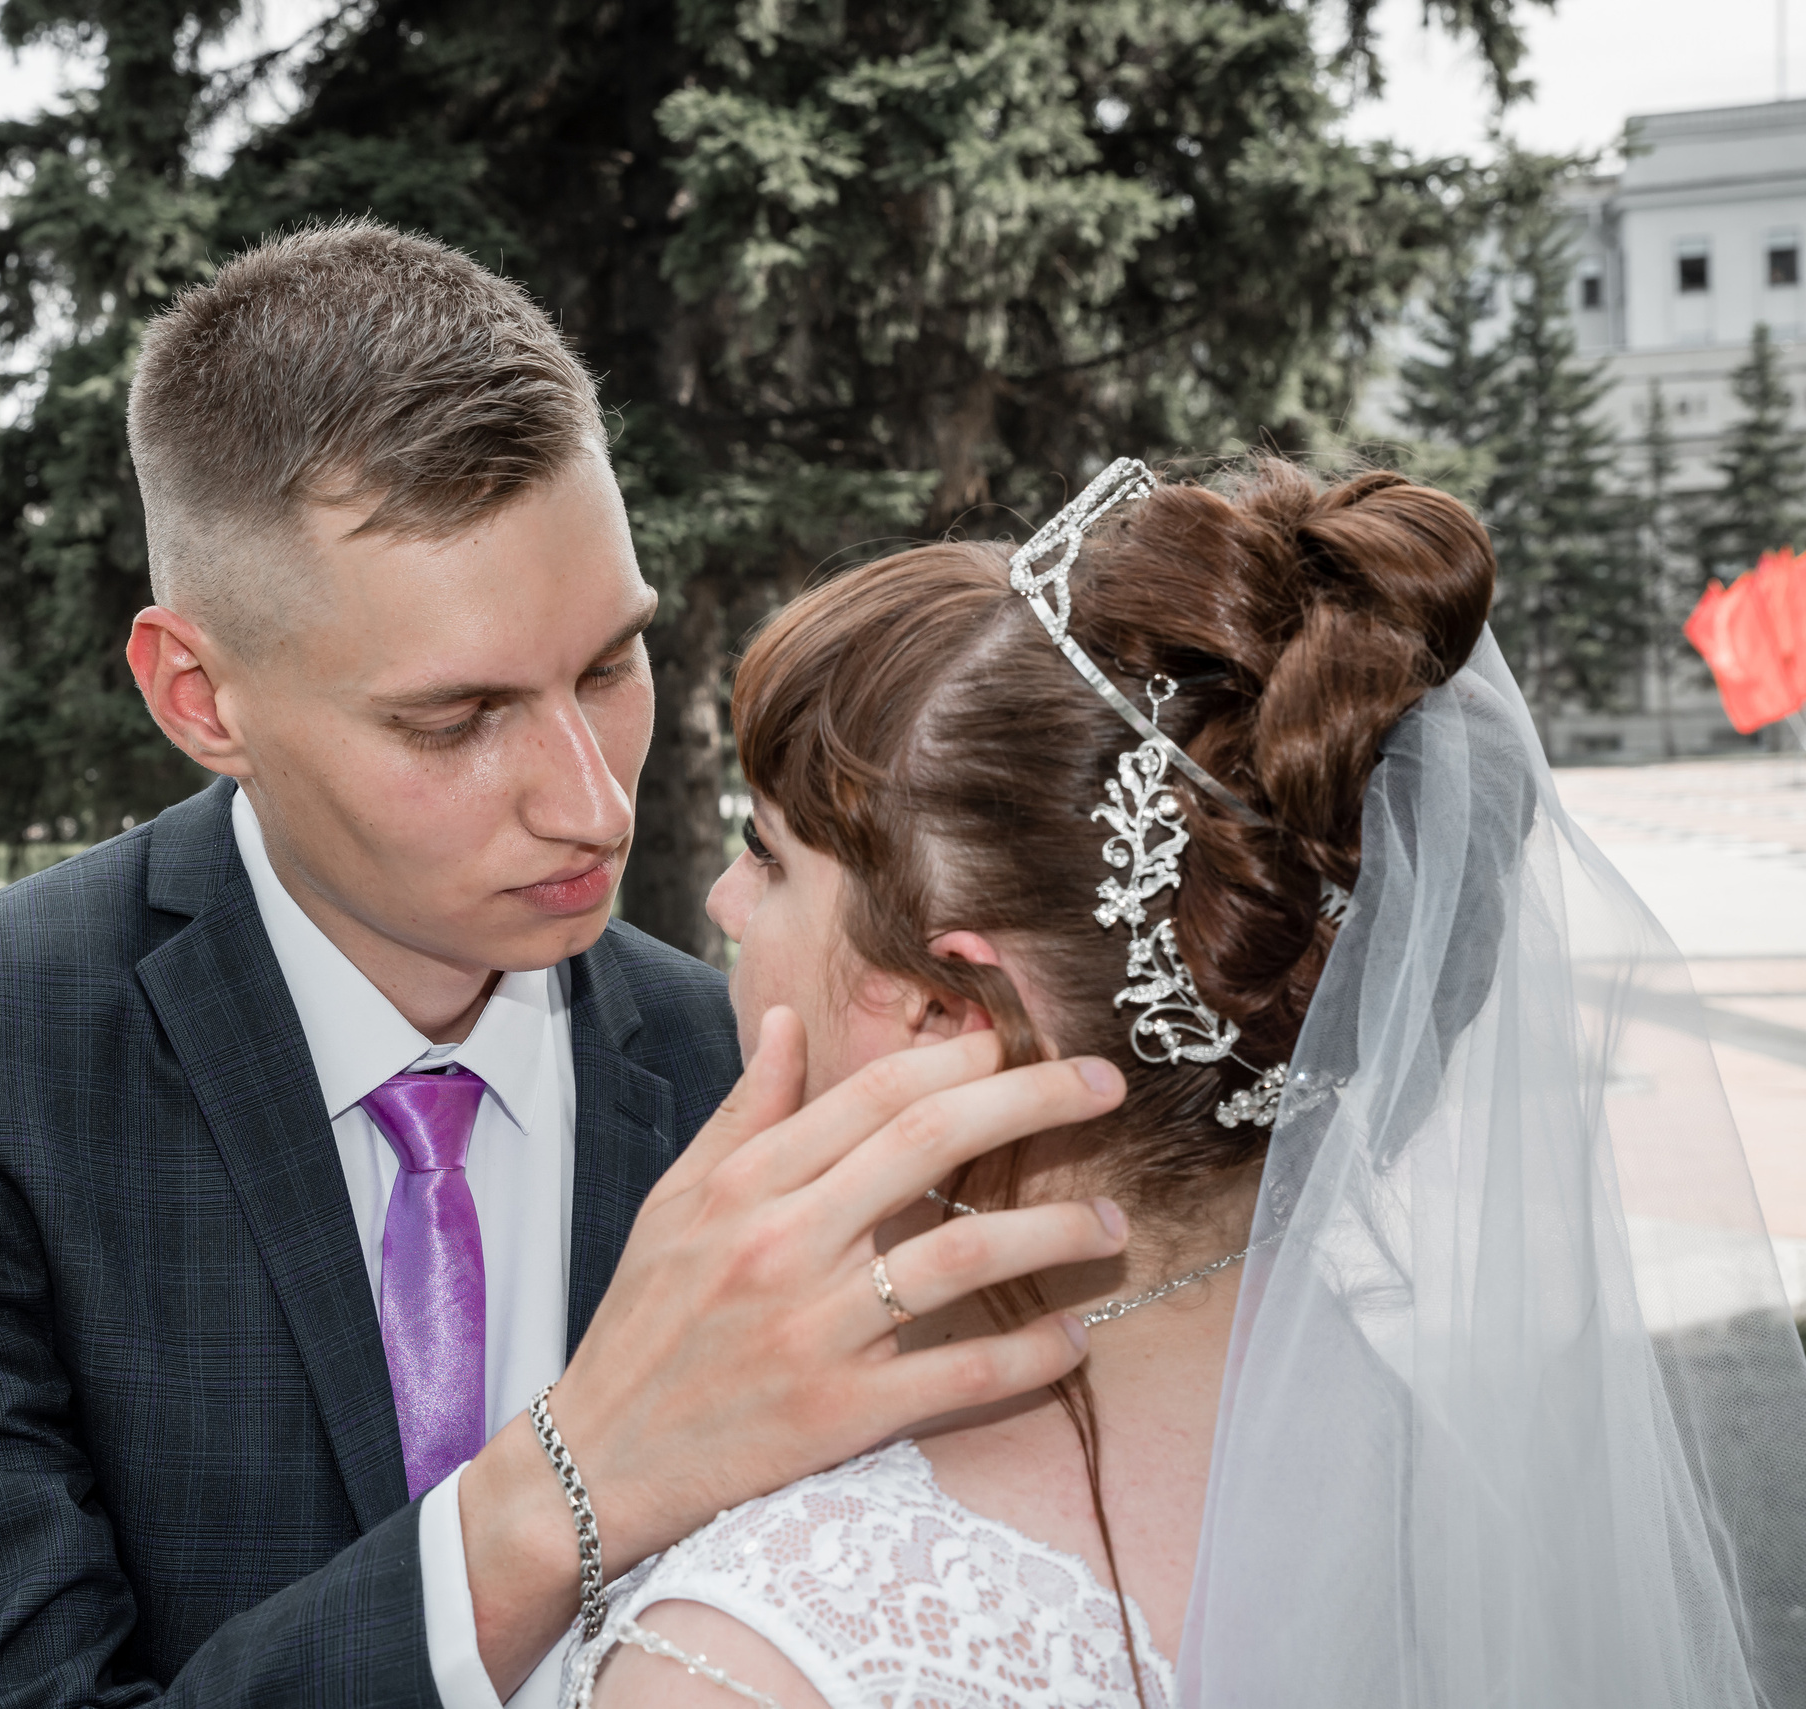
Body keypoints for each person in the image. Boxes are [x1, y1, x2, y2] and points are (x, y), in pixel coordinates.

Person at [0, 218, 1129, 1708]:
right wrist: (570, 1486)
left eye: (609, 664)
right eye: (454, 717)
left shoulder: (760, 1060)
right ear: (199, 694)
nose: (592, 802)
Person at [573, 460, 1806, 1706]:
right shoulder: (1458, 1494)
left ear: (953, 1015)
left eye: (765, 856)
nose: (721, 904)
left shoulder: (758, 1649)